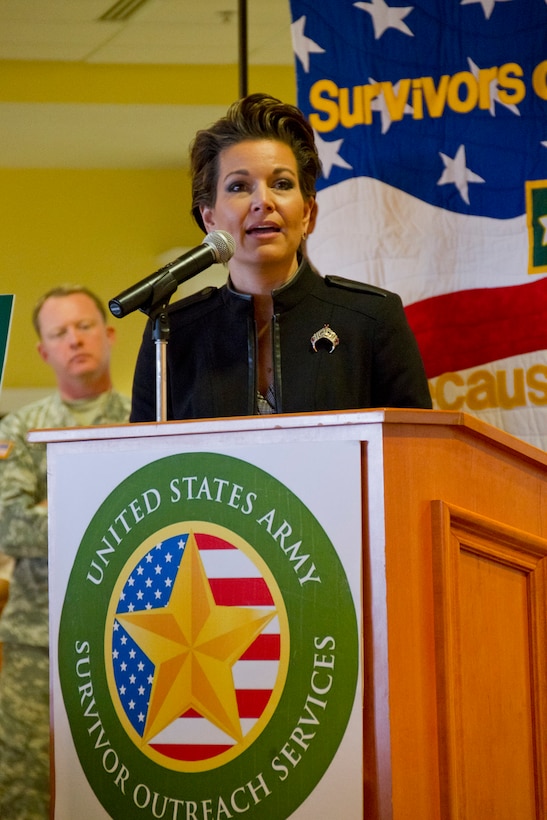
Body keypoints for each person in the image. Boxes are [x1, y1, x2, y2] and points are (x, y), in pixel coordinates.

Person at [130, 93, 431, 422]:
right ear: (209, 218)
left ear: (307, 214)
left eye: (282, 184)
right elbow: (141, 465)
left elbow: (416, 453)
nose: (263, 201)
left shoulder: (370, 320)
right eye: (239, 187)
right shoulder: (173, 333)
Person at [0, 285, 131, 819]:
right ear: (43, 351)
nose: (74, 340)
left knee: (122, 784)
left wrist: (54, 506)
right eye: (59, 333)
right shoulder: (21, 429)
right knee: (23, 787)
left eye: (83, 326)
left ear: (108, 334)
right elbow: (9, 526)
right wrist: (103, 512)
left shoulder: (144, 421)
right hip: (36, 643)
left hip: (127, 640)